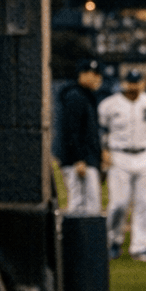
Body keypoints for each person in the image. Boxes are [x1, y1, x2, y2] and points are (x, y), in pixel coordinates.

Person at [99, 68, 146, 262]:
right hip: (119, 155)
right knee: (118, 203)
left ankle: (141, 247)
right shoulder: (110, 104)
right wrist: (104, 152)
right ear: (124, 83)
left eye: (137, 81)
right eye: (130, 82)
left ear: (143, 83)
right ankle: (112, 241)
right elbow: (100, 132)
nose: (134, 85)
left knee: (144, 203)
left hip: (145, 155)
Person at [56, 59, 106, 214]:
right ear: (82, 74)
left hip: (86, 159)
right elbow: (71, 130)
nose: (98, 78)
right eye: (94, 74)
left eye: (99, 74)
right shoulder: (75, 96)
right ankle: (77, 238)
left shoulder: (84, 96)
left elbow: (89, 133)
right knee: (81, 206)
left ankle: (84, 238)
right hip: (78, 161)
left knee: (89, 206)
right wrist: (78, 159)